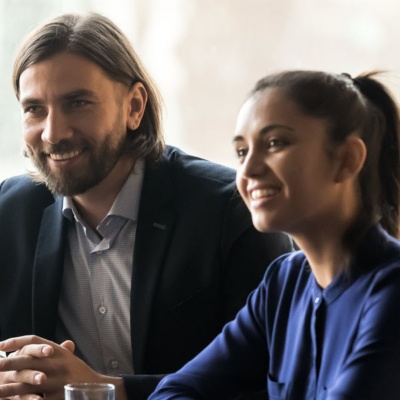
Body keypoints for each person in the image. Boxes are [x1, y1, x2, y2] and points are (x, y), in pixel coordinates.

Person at [0, 13, 293, 400]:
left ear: (134, 106)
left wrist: (109, 391)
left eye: (77, 103)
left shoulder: (231, 211)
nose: (53, 132)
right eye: (34, 109)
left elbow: (278, 378)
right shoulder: (10, 214)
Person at [149, 70, 400, 399]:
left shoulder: (390, 290)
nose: (248, 170)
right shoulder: (283, 282)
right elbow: (175, 390)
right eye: (241, 152)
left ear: (347, 158)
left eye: (275, 143)